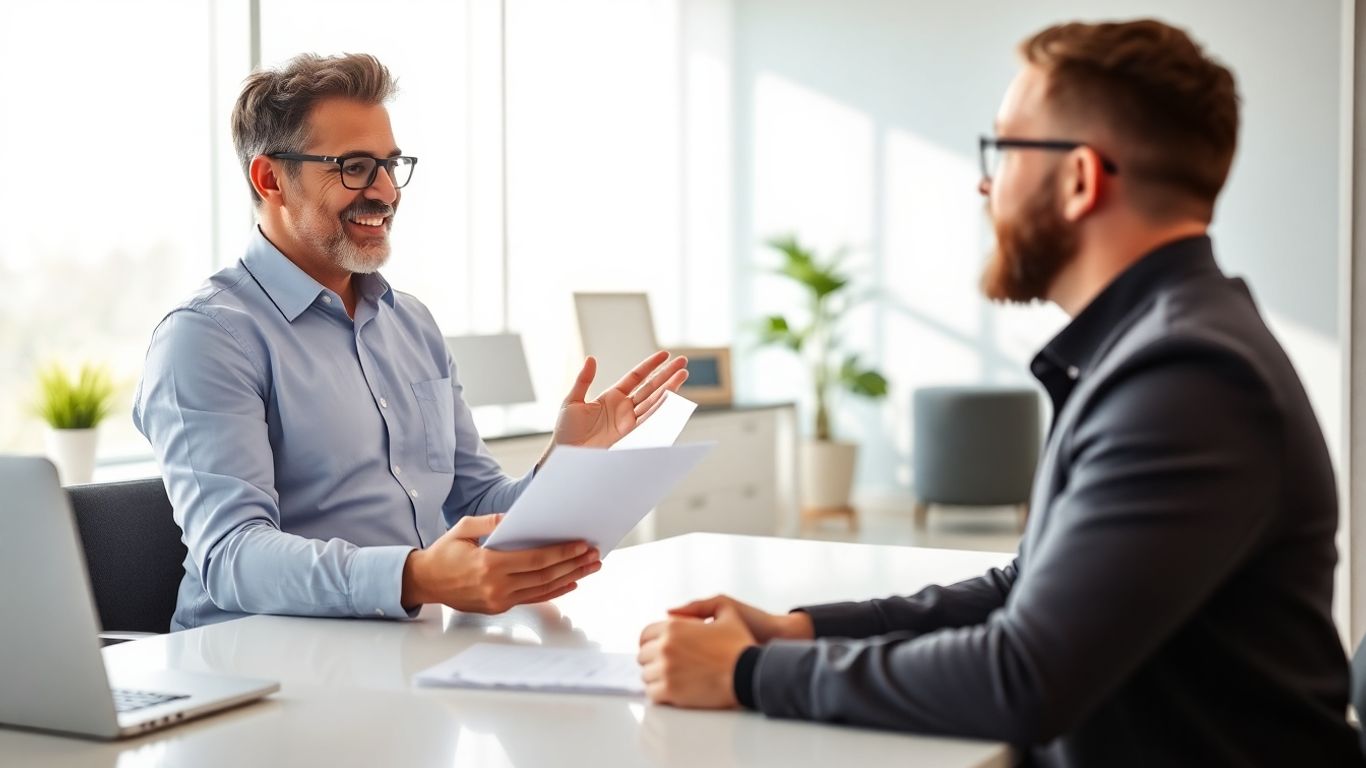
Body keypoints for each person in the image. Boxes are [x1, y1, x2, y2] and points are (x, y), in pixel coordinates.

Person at [638, 19, 1364, 766]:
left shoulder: (1189, 378)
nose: (985, 183)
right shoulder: (1157, 347)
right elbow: (1028, 584)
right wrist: (801, 630)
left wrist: (748, 673)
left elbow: (1025, 676)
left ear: (1079, 179)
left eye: (1006, 149)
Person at [134, 52, 687, 631]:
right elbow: (232, 556)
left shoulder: (412, 324)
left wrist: (565, 465)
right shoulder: (207, 337)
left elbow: (477, 506)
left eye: (391, 165)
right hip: (254, 658)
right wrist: (415, 577)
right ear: (271, 179)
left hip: (405, 646)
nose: (385, 191)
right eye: (354, 167)